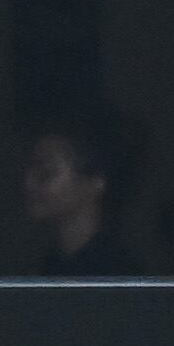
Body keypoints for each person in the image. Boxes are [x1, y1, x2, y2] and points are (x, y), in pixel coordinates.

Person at [22, 107, 149, 275]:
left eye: (46, 172)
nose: (29, 183)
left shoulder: (115, 274)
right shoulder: (52, 264)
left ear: (94, 183)